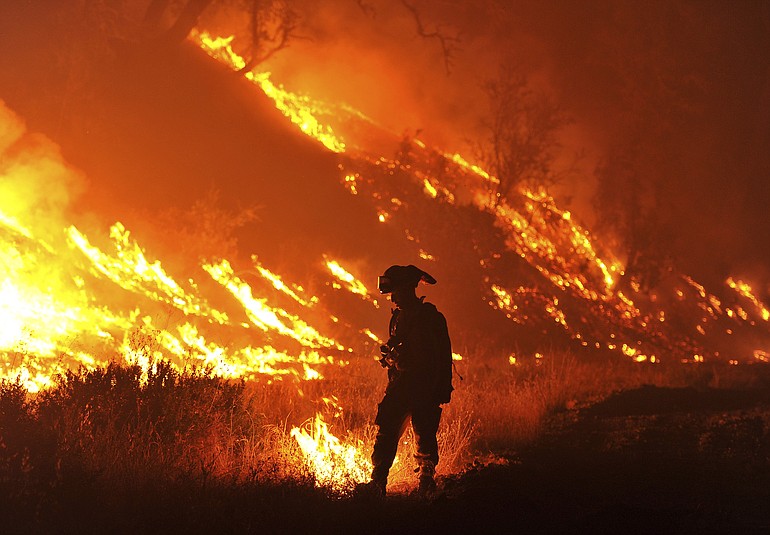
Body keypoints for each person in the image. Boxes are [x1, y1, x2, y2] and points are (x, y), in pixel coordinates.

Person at [367, 264, 453, 497]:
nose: (392, 297)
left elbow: (442, 355)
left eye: (396, 291)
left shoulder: (430, 318)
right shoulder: (398, 318)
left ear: (408, 288)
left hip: (424, 385)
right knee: (386, 433)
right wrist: (392, 359)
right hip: (401, 385)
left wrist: (442, 387)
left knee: (424, 435)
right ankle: (377, 483)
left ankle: (426, 483)